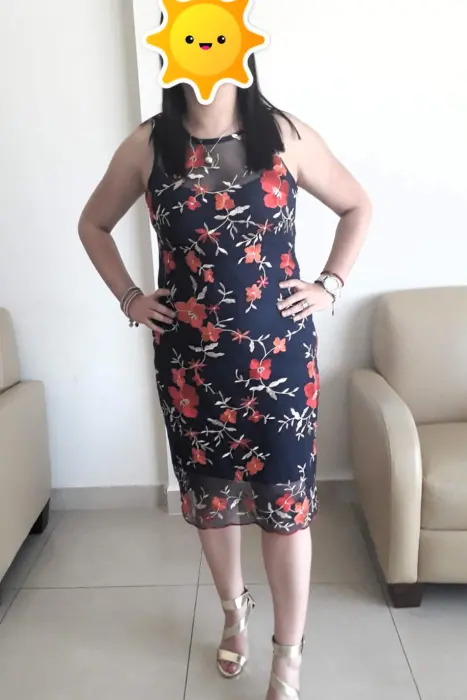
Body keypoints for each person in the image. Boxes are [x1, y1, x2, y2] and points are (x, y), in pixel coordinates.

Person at [78, 54, 371, 700]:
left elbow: (356, 205)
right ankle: (235, 614)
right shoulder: (149, 145)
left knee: (285, 513)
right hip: (191, 366)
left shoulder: (285, 135)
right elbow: (92, 224)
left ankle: (288, 659)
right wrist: (130, 297)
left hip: (281, 365)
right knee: (213, 504)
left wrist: (329, 284)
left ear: (242, 49)